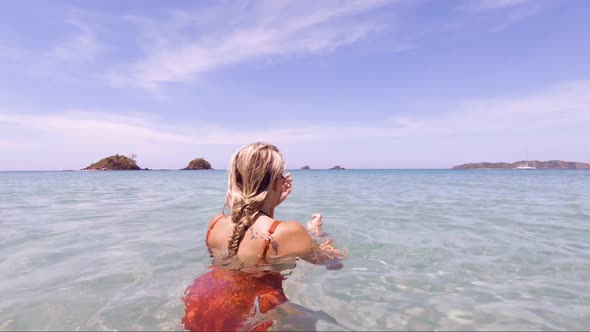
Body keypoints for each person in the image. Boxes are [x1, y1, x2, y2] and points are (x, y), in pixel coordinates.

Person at [182, 142, 345, 331]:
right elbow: (333, 263)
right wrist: (318, 232)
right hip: (253, 306)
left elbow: (250, 237)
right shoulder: (288, 232)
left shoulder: (215, 223)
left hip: (204, 298)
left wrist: (271, 205)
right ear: (277, 182)